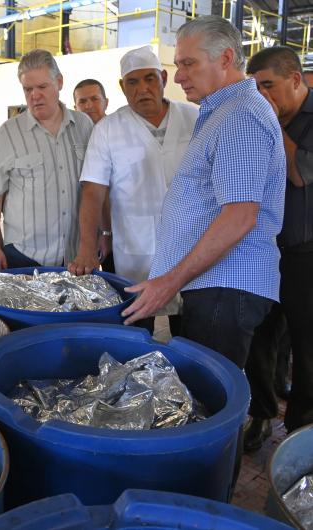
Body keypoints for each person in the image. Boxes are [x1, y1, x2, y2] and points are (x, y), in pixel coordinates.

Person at [121, 15, 286, 371]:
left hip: (226, 288)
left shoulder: (239, 116)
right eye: (179, 65)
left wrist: (169, 282)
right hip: (218, 287)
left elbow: (240, 215)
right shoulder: (223, 111)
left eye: (188, 64)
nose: (178, 76)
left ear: (225, 59)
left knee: (210, 403)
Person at [69, 46, 198, 336]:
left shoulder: (195, 118)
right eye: (133, 82)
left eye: (150, 78)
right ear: (122, 87)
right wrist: (87, 248)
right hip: (136, 250)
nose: (143, 88)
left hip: (191, 249)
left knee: (191, 331)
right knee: (136, 330)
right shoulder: (109, 129)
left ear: (164, 77)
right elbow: (93, 190)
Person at [243, 46, 313, 451]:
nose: (263, 97)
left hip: (306, 255)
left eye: (268, 86)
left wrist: (271, 123)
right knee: (260, 339)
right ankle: (262, 414)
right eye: (255, 90)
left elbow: (300, 173)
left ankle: (301, 434)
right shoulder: (258, 121)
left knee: (306, 347)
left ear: (295, 79)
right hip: (264, 251)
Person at [0, 49, 93, 268]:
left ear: (59, 82)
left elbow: (94, 188)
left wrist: (100, 236)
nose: (35, 95)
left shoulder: (83, 126)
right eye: (28, 89)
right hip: (24, 255)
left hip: (74, 256)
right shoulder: (8, 134)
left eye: (42, 87)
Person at [73, 78, 115, 273]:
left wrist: (106, 232)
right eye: (82, 101)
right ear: (75, 106)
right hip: (83, 232)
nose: (88, 106)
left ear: (106, 102)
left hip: (118, 230)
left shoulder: (118, 132)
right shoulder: (73, 137)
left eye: (94, 99)